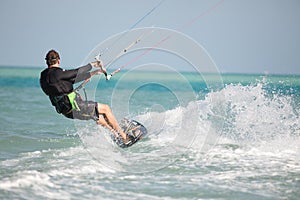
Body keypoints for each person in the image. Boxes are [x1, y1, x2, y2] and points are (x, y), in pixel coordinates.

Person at [40, 49, 129, 144]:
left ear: (47, 62)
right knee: (106, 109)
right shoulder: (58, 73)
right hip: (75, 106)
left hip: (66, 111)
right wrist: (91, 65)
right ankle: (124, 136)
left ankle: (115, 135)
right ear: (58, 61)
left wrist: (93, 73)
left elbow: (69, 80)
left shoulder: (44, 76)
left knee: (98, 116)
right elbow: (76, 72)